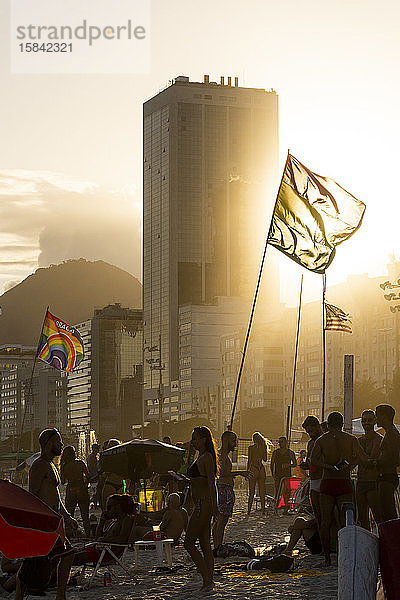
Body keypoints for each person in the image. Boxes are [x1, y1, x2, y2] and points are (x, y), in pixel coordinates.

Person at [15, 428, 78, 600]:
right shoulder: (38, 465)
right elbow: (33, 495)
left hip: (53, 522)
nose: (62, 445)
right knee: (58, 556)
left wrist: (67, 516)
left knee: (40, 560)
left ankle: (58, 595)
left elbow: (56, 497)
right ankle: (59, 596)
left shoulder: (52, 465)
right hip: (43, 522)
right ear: (50, 443)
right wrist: (36, 521)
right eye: (59, 441)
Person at [310, 412, 361, 566]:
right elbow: (360, 457)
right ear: (341, 423)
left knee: (325, 521)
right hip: (344, 481)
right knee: (346, 520)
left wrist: (328, 466)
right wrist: (349, 466)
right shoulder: (350, 439)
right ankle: (344, 555)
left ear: (329, 424)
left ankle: (327, 558)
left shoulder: (322, 440)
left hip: (328, 481)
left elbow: (313, 460)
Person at [184, 426, 218, 592]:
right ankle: (208, 581)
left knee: (188, 543)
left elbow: (212, 483)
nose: (193, 441)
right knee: (204, 544)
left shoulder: (207, 458)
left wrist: (215, 506)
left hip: (203, 504)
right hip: (201, 503)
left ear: (204, 439)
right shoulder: (200, 456)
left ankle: (207, 579)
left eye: (196, 438)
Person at [73, 494, 136, 566]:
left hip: (107, 554)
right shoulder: (114, 522)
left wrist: (104, 540)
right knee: (68, 554)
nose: (107, 510)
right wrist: (102, 521)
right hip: (102, 551)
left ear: (117, 507)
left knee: (71, 557)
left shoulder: (126, 520)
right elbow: (98, 537)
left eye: (109, 507)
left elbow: (122, 539)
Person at [213, 431, 248, 549]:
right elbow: (223, 473)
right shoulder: (222, 455)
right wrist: (241, 473)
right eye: (233, 441)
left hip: (225, 488)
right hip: (224, 489)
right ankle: (218, 545)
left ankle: (217, 545)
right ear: (227, 441)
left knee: (219, 520)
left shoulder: (223, 454)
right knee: (222, 520)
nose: (235, 443)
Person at [356, 410, 382, 529]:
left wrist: (364, 459)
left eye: (369, 420)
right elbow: (356, 460)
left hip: (373, 482)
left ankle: (384, 544)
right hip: (361, 481)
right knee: (362, 518)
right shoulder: (359, 441)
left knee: (378, 517)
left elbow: (372, 459)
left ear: (375, 421)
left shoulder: (379, 439)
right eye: (364, 420)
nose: (366, 423)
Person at [375, 404, 400, 522]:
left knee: (388, 515)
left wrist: (375, 462)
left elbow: (392, 458)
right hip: (386, 476)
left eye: (377, 415)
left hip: (387, 477)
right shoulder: (389, 433)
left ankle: (393, 539)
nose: (376, 419)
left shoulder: (392, 433)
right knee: (385, 513)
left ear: (384, 417)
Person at [60, 446, 90, 537]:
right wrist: (84, 485)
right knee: (85, 516)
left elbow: (62, 481)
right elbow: (88, 476)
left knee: (70, 515)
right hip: (82, 490)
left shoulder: (64, 466)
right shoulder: (80, 463)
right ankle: (88, 535)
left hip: (71, 490)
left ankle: (70, 536)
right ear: (74, 453)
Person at [302, 415, 323, 526]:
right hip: (314, 478)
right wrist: (305, 465)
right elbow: (309, 460)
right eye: (308, 432)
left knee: (324, 511)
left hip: (324, 478)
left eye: (311, 431)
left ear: (317, 426)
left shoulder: (325, 440)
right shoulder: (310, 443)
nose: (310, 434)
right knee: (316, 511)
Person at [98, 439, 124, 510]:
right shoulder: (123, 458)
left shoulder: (108, 458)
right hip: (121, 485)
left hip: (110, 483)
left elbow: (105, 472)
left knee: (106, 510)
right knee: (120, 510)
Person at [270, 436, 296, 507]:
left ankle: (286, 506)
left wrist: (289, 465)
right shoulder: (275, 452)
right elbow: (272, 464)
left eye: (281, 442)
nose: (280, 443)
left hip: (287, 474)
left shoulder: (290, 453)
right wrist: (273, 474)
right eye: (279, 442)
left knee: (287, 491)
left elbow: (295, 464)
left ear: (285, 443)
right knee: (277, 490)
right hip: (278, 474)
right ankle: (276, 505)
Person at [247, 432, 268, 515]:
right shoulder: (263, 447)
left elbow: (250, 460)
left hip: (254, 468)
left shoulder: (251, 448)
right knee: (262, 491)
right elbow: (265, 459)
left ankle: (248, 511)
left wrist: (247, 471)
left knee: (251, 492)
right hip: (261, 468)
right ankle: (263, 510)